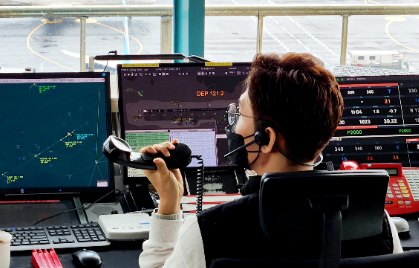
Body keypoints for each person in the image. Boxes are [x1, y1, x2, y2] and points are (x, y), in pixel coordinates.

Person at [138, 52, 402, 268]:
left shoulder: (210, 231)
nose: (233, 125)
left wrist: (169, 209)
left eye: (239, 113)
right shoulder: (377, 222)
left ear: (266, 139)